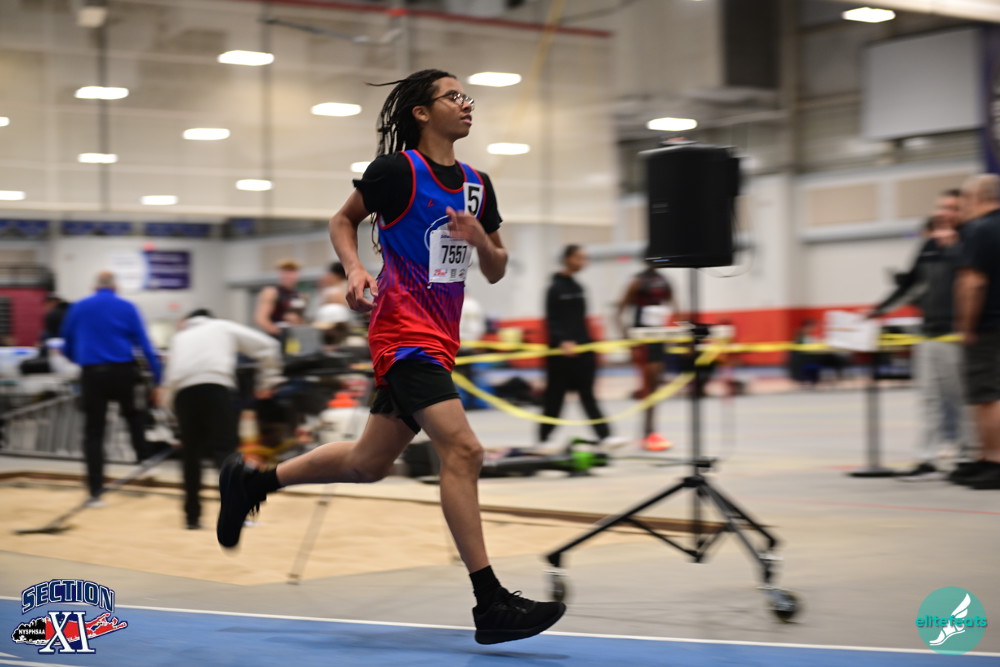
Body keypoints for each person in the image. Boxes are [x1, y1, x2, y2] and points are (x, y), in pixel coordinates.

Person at [215, 69, 566, 644]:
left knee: (367, 463)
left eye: (468, 96)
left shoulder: (478, 184)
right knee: (465, 450)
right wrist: (355, 268)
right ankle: (490, 602)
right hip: (402, 334)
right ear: (423, 112)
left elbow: (497, 269)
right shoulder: (397, 172)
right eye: (454, 96)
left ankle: (252, 483)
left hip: (441, 340)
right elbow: (342, 219)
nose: (467, 104)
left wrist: (481, 239)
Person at [867, 189, 975, 479]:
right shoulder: (928, 246)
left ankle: (967, 457)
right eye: (941, 207)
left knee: (962, 400)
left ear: (963, 212)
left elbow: (975, 283)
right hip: (928, 334)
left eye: (952, 208)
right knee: (929, 398)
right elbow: (910, 285)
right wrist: (878, 310)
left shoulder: (970, 242)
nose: (944, 213)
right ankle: (927, 459)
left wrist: (953, 248)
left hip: (957, 335)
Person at [163, 309, 282, 529]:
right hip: (216, 388)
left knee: (190, 456)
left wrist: (172, 417)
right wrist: (267, 382)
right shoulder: (222, 326)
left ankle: (192, 518)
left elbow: (169, 381)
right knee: (225, 452)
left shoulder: (179, 337)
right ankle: (236, 515)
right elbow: (268, 346)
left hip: (183, 395)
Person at [60, 271, 163, 506]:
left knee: (94, 432)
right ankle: (144, 459)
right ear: (115, 287)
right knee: (133, 415)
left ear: (94, 286)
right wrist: (158, 378)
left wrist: (80, 359)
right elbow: (145, 345)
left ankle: (95, 491)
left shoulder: (78, 307)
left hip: (92, 373)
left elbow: (66, 344)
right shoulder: (128, 307)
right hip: (122, 372)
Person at [538, 245, 622, 450]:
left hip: (583, 349)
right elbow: (552, 320)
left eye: (585, 258)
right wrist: (562, 341)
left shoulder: (578, 287)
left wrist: (587, 345)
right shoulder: (554, 288)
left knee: (588, 394)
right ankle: (544, 439)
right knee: (555, 396)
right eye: (579, 258)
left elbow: (580, 320)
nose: (583, 262)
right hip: (560, 353)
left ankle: (605, 436)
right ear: (567, 259)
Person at [954, 174, 1000, 490]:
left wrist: (966, 326)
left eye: (965, 199)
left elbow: (973, 283)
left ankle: (993, 460)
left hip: (988, 324)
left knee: (987, 396)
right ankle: (985, 458)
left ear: (977, 198)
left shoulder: (978, 229)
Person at [616, 259, 677, 451]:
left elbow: (676, 307)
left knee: (655, 386)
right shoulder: (637, 282)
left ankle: (650, 431)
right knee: (648, 385)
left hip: (659, 337)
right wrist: (627, 337)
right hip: (642, 339)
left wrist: (678, 334)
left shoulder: (664, 281)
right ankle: (647, 432)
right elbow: (619, 311)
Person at [254, 258, 308, 339]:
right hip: (276, 336)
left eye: (292, 272)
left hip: (294, 336)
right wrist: (279, 333)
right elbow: (261, 319)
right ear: (280, 274)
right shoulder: (271, 292)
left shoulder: (300, 295)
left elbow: (300, 320)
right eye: (286, 272)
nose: (289, 276)